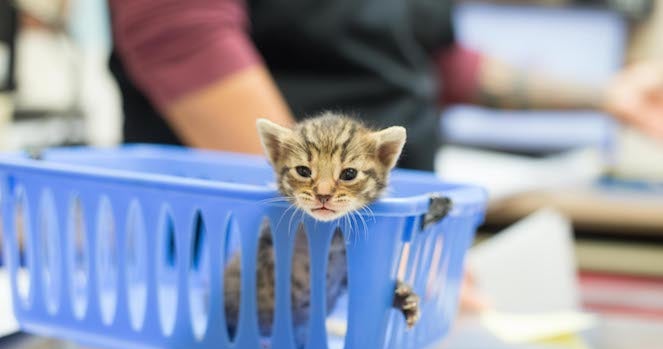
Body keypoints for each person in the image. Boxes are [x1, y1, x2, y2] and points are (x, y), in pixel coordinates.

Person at [107, 0, 663, 171]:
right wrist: (331, 231)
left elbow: (421, 60)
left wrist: (606, 95)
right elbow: (178, 31)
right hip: (239, 245)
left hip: (372, 232)